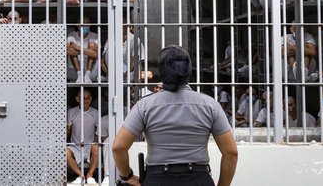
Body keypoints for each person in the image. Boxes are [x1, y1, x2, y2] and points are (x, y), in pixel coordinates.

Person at [112, 45, 237, 186]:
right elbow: (231, 153)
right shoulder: (209, 105)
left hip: (157, 180)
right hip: (198, 180)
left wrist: (127, 176)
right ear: (188, 70)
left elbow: (118, 147)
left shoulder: (145, 106)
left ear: (161, 71)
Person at [66, 89, 100, 184]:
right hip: (75, 146)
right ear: (77, 99)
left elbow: (98, 132)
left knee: (96, 147)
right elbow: (68, 131)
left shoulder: (95, 113)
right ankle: (81, 175)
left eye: (88, 98)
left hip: (89, 146)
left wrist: (94, 143)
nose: (86, 100)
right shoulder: (71, 112)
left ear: (91, 99)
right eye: (83, 98)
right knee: (66, 152)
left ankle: (90, 175)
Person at [67, 16, 99, 83]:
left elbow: (95, 54)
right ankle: (79, 74)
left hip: (91, 77)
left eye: (87, 23)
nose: (85, 25)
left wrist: (77, 48)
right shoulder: (71, 35)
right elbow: (68, 51)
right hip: (74, 76)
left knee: (92, 45)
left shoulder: (94, 36)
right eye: (83, 23)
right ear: (77, 25)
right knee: (71, 49)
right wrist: (87, 51)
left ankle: (87, 74)